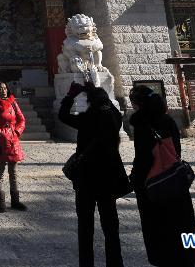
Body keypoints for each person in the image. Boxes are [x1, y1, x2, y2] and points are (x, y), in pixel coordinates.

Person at [128, 85, 195, 267]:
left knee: (158, 227)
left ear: (138, 105)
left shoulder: (142, 124)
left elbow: (144, 158)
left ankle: (164, 260)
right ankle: (187, 258)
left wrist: (135, 179)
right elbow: (176, 149)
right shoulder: (168, 120)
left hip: (154, 183)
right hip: (174, 178)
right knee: (182, 222)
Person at [59, 84, 126, 267]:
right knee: (111, 225)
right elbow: (111, 106)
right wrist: (96, 92)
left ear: (90, 102)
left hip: (86, 178)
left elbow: (63, 116)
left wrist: (71, 95)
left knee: (85, 226)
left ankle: (86, 263)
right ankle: (115, 262)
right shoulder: (114, 117)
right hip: (108, 178)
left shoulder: (88, 118)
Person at [0, 81, 27, 212]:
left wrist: (17, 131)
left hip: (13, 141)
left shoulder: (13, 103)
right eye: (1, 88)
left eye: (5, 88)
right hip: (0, 142)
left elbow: (21, 120)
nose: (4, 90)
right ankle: (1, 202)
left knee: (13, 172)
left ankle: (15, 201)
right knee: (0, 173)